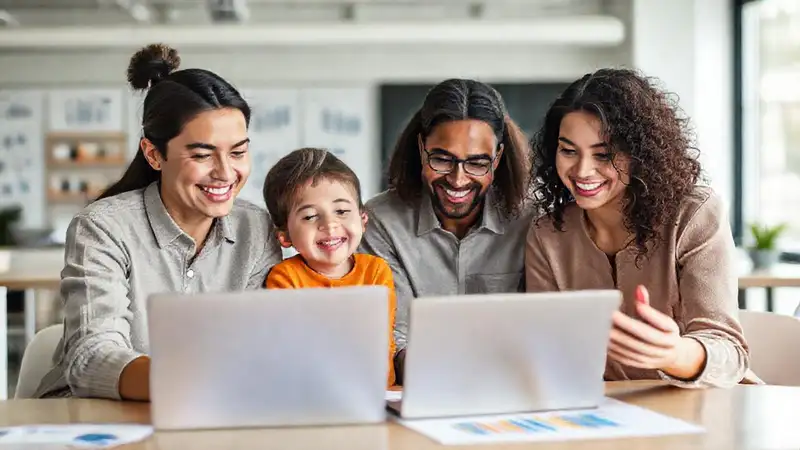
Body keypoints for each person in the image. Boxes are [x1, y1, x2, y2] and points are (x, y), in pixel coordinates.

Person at [34, 44, 282, 400]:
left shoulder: (256, 228)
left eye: (239, 152)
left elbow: (264, 344)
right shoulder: (103, 227)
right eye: (201, 154)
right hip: (94, 415)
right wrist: (193, 380)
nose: (226, 173)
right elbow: (91, 358)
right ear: (153, 154)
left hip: (215, 410)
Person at [525, 68, 756, 388]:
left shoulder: (694, 214)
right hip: (605, 415)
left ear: (640, 154)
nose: (582, 170)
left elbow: (730, 353)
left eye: (603, 154)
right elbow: (548, 351)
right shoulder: (548, 233)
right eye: (568, 150)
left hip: (707, 406)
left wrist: (674, 354)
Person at [359, 79, 534, 384]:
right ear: (420, 149)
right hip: (421, 388)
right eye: (442, 159)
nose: (458, 179)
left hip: (512, 388)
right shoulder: (379, 222)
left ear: (499, 157)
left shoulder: (532, 219)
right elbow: (393, 335)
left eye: (478, 163)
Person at [262, 147, 397, 386]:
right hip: (308, 392)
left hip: (376, 391)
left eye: (342, 211)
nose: (330, 225)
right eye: (310, 216)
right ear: (284, 236)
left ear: (363, 220)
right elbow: (292, 351)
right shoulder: (284, 278)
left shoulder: (376, 271)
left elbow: (379, 341)